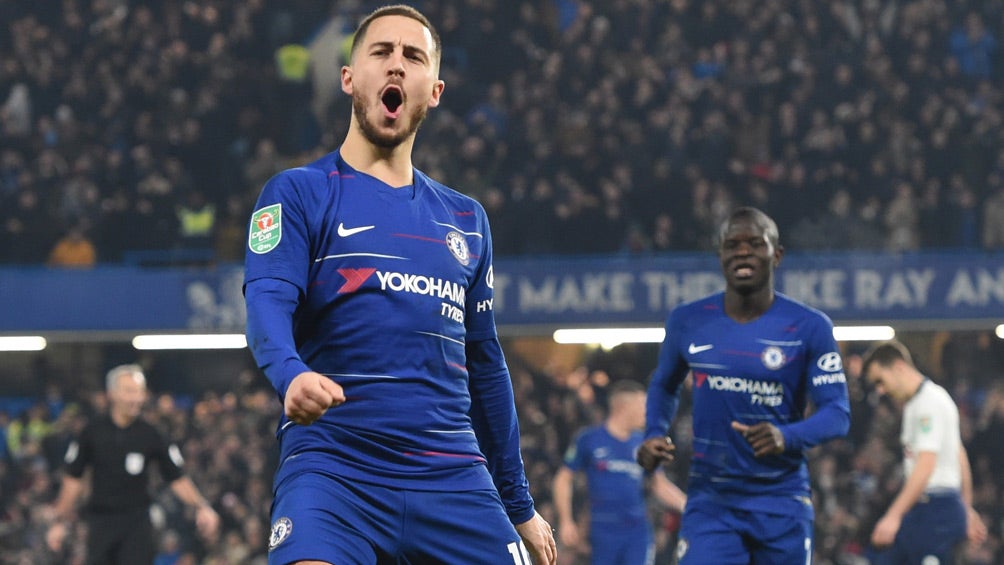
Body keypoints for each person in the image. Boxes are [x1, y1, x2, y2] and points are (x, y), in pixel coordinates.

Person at [242, 5, 556, 565]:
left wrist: (519, 504)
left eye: (413, 56)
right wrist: (291, 374)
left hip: (453, 475)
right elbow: (267, 298)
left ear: (433, 91)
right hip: (336, 468)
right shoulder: (298, 193)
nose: (396, 65)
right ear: (349, 77)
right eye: (381, 52)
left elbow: (485, 363)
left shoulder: (466, 220)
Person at [636, 206, 851, 564]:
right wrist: (654, 432)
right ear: (720, 255)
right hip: (712, 501)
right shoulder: (687, 320)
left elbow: (837, 413)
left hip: (781, 501)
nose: (743, 252)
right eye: (732, 244)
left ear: (776, 255)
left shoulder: (810, 327)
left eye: (755, 243)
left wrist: (786, 436)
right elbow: (663, 384)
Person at [47, 364, 220, 564]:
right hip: (100, 522)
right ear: (112, 394)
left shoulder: (152, 433)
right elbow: (73, 479)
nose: (135, 398)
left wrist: (202, 506)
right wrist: (59, 521)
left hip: (137, 524)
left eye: (139, 392)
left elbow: (175, 476)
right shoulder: (91, 432)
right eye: (129, 391)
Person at [862, 339, 988, 564]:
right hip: (934, 507)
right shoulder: (922, 402)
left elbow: (926, 465)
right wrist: (965, 508)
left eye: (880, 380)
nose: (880, 390)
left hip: (935, 510)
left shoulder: (927, 404)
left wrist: (893, 516)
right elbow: (958, 456)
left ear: (899, 367)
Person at [553, 379, 687, 565]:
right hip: (602, 530)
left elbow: (660, 485)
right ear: (625, 407)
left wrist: (689, 506)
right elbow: (563, 479)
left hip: (637, 531)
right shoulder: (588, 439)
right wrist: (566, 520)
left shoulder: (645, 444)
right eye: (643, 405)